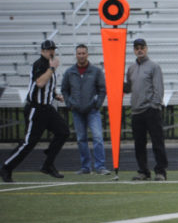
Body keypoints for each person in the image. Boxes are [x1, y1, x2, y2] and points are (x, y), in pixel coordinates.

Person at [1, 40, 69, 182]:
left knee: (63, 132)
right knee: (29, 143)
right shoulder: (40, 64)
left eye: (53, 49)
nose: (52, 52)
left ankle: (48, 164)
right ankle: (6, 167)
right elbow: (40, 83)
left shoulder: (49, 65)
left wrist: (55, 95)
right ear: (42, 51)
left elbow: (47, 86)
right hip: (36, 109)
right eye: (49, 49)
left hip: (47, 108)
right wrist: (51, 69)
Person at [124, 38, 168, 181]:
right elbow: (129, 88)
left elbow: (158, 88)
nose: (139, 50)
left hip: (150, 109)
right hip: (136, 111)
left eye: (142, 47)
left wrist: (155, 105)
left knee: (157, 142)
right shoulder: (130, 68)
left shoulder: (154, 67)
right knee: (139, 144)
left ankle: (160, 171)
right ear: (134, 50)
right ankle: (143, 171)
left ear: (146, 48)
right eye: (137, 48)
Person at [61, 44, 110, 175]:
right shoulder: (70, 72)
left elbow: (102, 89)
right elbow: (64, 90)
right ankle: (85, 167)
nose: (81, 56)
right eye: (79, 53)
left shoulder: (96, 71)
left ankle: (100, 166)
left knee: (98, 137)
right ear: (76, 55)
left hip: (92, 111)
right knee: (81, 139)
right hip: (77, 111)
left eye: (83, 53)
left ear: (87, 54)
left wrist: (97, 104)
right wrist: (70, 104)